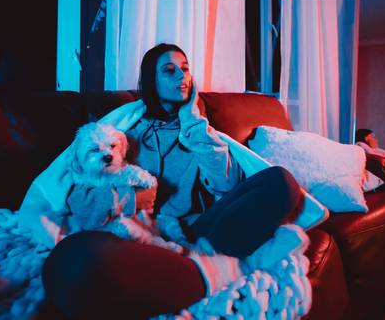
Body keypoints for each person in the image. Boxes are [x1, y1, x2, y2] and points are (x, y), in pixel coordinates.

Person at [40, 43, 306, 319]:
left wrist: (193, 121)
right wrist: (131, 200)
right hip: (142, 236)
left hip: (197, 231)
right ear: (152, 81)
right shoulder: (124, 131)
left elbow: (226, 185)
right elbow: (79, 192)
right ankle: (220, 270)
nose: (182, 77)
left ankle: (204, 268)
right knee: (73, 260)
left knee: (281, 182)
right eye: (170, 71)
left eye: (185, 69)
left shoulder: (197, 130)